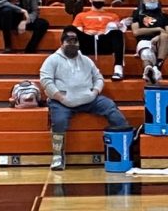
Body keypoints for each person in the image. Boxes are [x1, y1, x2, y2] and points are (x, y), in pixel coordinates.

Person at [39, 27, 129, 170]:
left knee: (110, 107)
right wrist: (59, 97)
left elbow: (98, 77)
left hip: (89, 99)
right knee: (59, 121)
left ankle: (125, 146)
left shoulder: (86, 60)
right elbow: (46, 81)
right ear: (62, 42)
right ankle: (57, 155)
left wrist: (95, 91)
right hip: (62, 102)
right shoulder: (52, 60)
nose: (72, 44)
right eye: (69, 41)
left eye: (75, 41)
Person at [69, 0, 127, 81]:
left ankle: (118, 69)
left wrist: (104, 32)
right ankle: (71, 66)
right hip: (88, 42)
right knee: (70, 29)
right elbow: (78, 33)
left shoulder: (113, 16)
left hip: (104, 42)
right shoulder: (81, 15)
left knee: (117, 33)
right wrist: (87, 33)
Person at [131, 0, 168, 85]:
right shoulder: (137, 14)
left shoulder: (164, 16)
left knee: (164, 36)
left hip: (163, 43)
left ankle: (157, 67)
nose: (152, 0)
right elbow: (136, 32)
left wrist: (159, 36)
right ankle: (150, 71)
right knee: (146, 55)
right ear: (143, 0)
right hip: (145, 41)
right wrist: (158, 29)